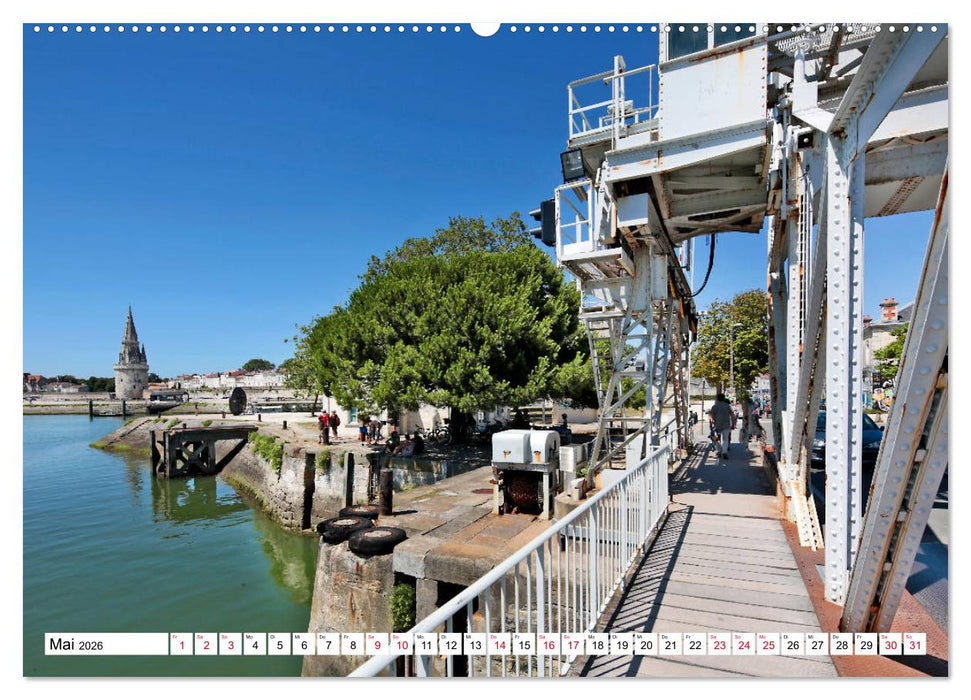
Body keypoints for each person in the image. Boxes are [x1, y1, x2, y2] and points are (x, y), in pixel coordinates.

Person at [708, 393, 734, 460]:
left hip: (717, 425)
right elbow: (732, 415)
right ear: (723, 398)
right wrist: (733, 423)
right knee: (725, 439)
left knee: (716, 438)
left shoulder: (715, 406)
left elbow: (712, 415)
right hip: (726, 425)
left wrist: (715, 420)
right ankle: (724, 452)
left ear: (717, 399)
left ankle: (719, 450)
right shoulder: (728, 406)